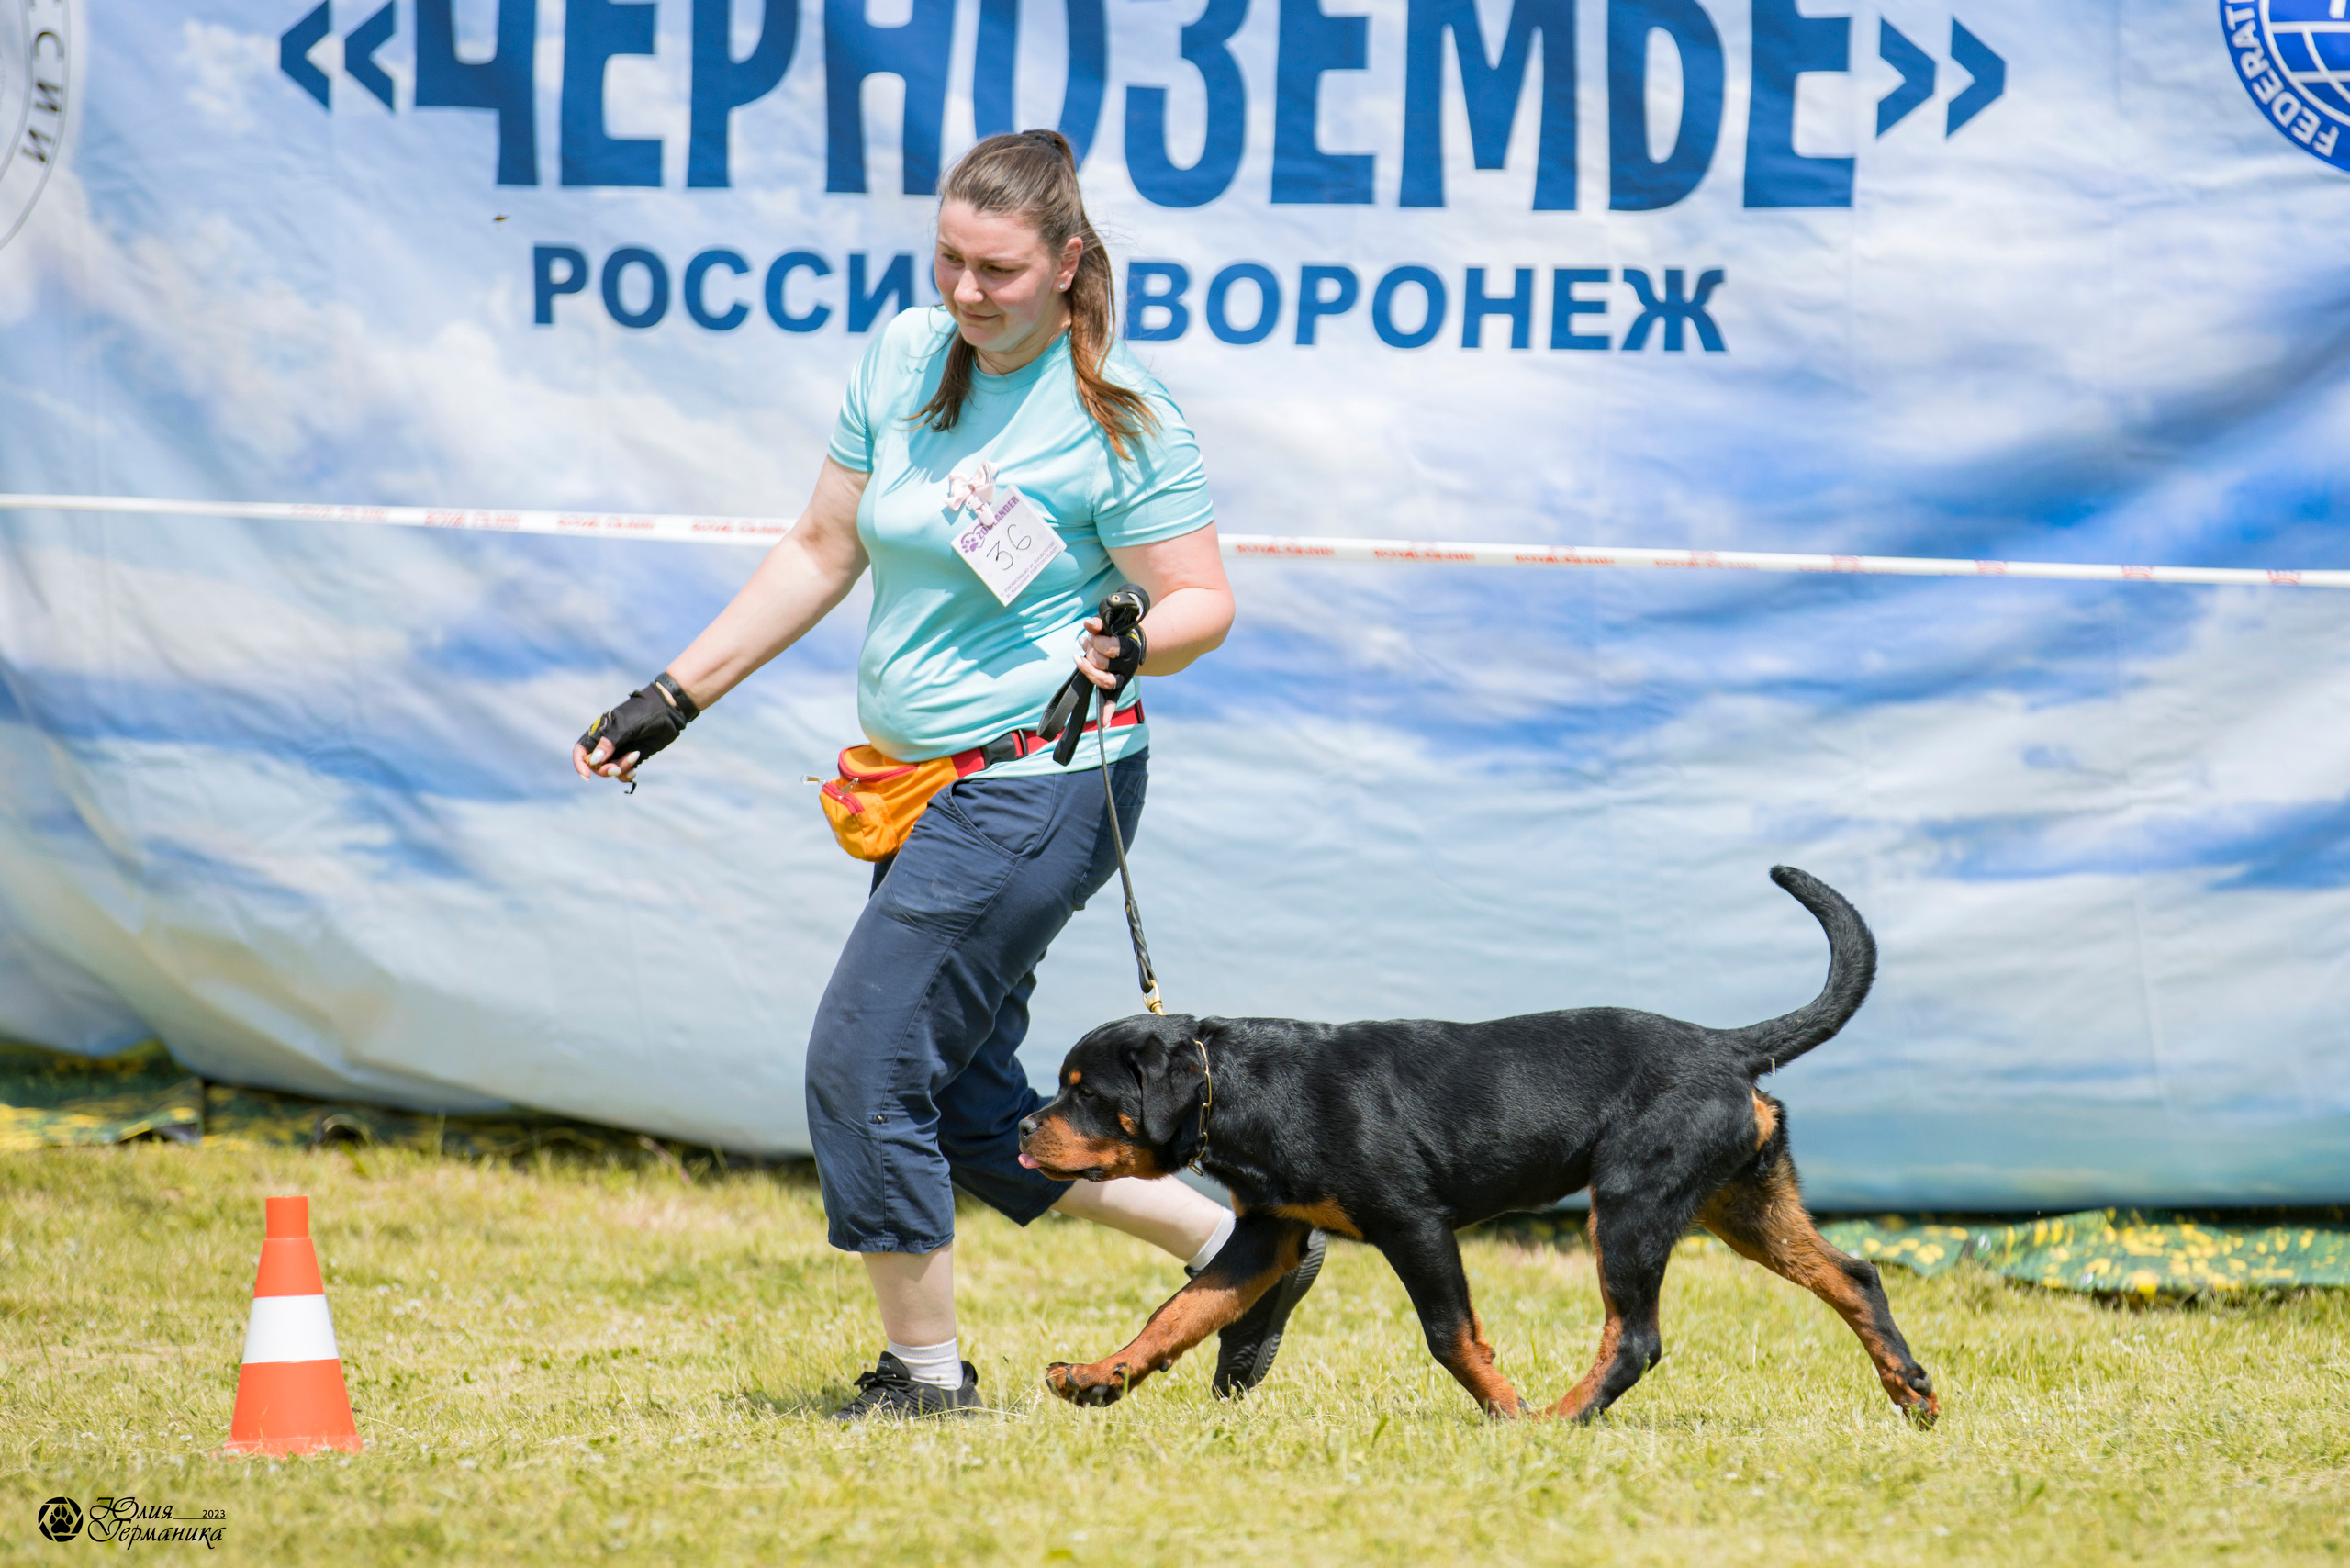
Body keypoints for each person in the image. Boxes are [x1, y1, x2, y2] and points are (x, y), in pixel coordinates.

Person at [573, 129, 1324, 1418]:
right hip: (921, 783)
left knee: (867, 1061)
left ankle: (925, 1381)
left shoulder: (1120, 413)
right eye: (949, 263)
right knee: (973, 1103)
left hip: (1044, 781)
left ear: (1069, 262)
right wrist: (675, 696)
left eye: (999, 270)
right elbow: (822, 547)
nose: (968, 293)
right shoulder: (906, 358)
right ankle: (1239, 1251)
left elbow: (1203, 600)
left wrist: (1136, 639)